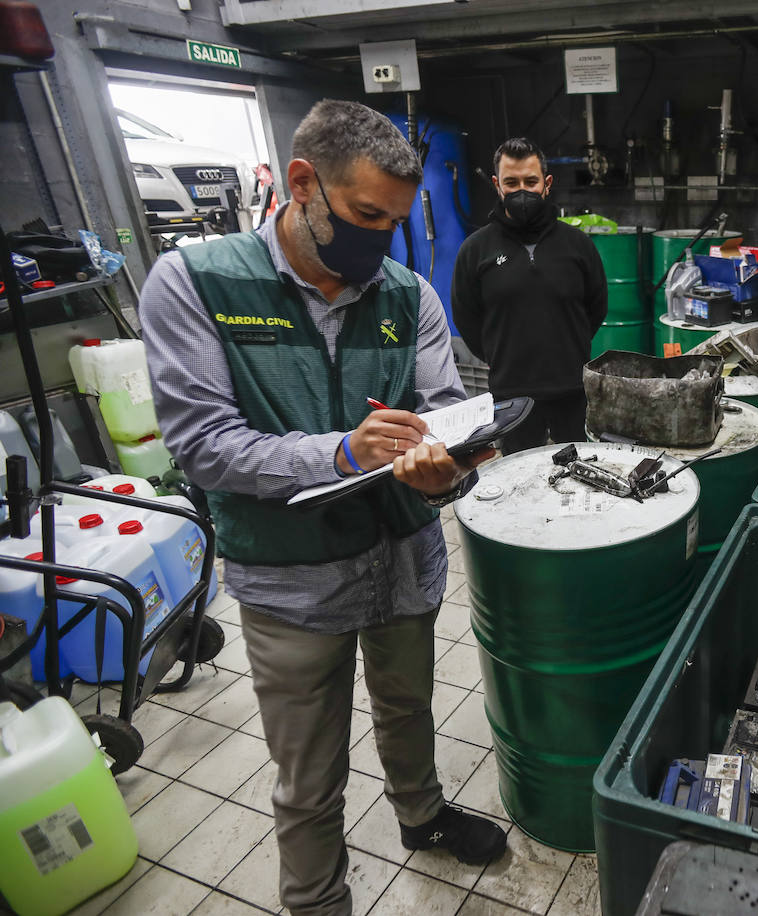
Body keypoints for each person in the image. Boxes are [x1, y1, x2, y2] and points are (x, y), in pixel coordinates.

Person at [140, 100, 506, 916]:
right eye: (366, 215)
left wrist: (443, 470)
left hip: (403, 561)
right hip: (292, 582)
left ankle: (421, 814)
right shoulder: (199, 282)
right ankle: (317, 901)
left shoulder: (409, 295)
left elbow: (446, 411)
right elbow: (205, 446)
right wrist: (344, 451)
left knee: (410, 706)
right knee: (309, 772)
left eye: (397, 222)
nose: (381, 239)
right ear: (302, 185)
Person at [452, 137, 608, 452]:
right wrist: (502, 356)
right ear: (497, 185)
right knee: (519, 486)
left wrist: (568, 346)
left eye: (530, 181)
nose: (521, 190)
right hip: (511, 396)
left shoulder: (578, 245)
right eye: (511, 182)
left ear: (546, 184)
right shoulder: (475, 250)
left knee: (581, 481)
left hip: (573, 391)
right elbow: (467, 319)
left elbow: (596, 308)